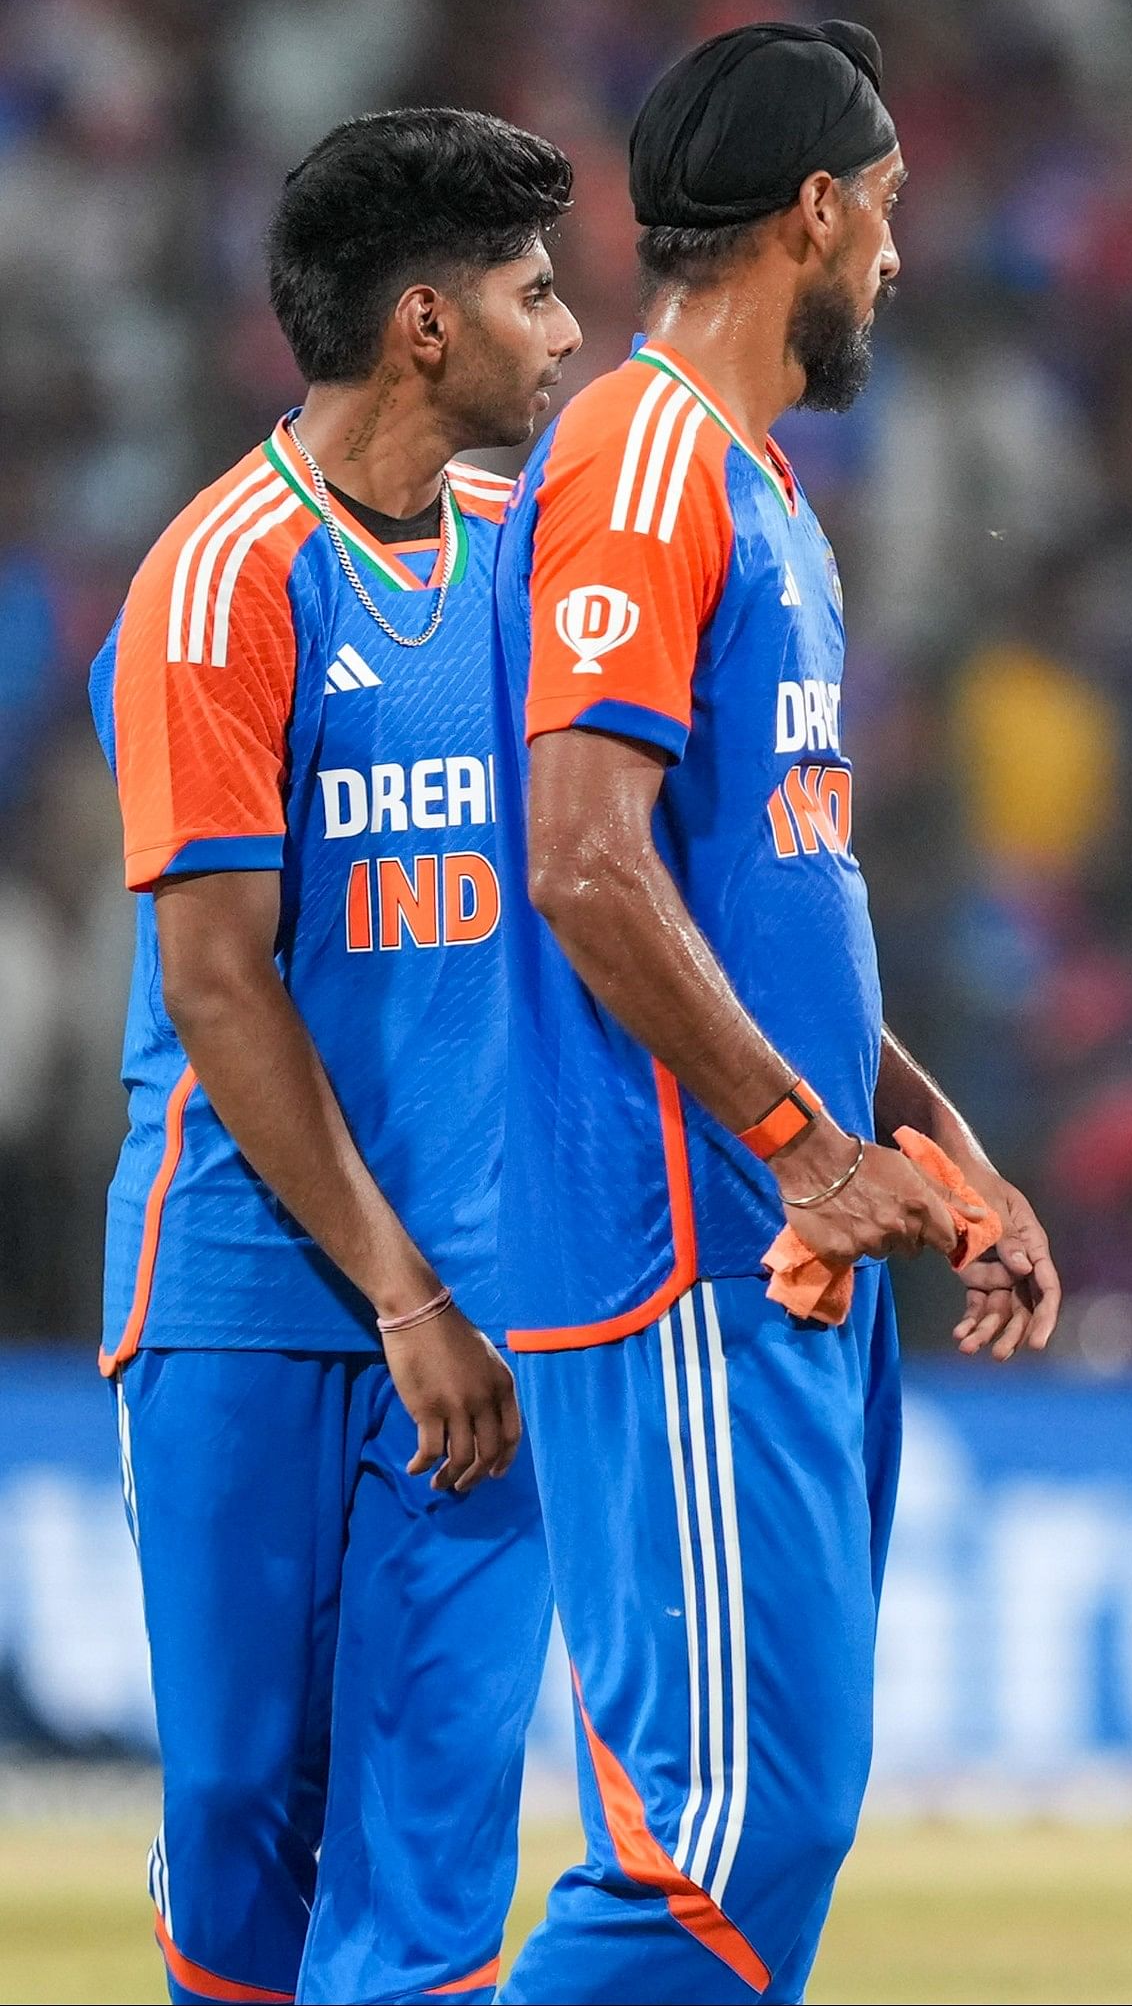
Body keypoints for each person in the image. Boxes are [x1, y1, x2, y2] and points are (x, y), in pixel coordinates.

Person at [487, 20, 1060, 2001]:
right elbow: (583, 859)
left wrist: (919, 1126)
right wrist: (805, 1149)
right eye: (887, 215)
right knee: (718, 1848)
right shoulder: (643, 456)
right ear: (814, 212)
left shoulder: (763, 494)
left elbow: (773, 888)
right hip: (680, 1243)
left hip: (776, 1241)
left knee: (772, 1816)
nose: (899, 260)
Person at [90, 107, 579, 2006]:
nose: (566, 332)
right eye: (535, 294)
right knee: (238, 1803)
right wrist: (397, 1290)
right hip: (247, 1288)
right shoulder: (220, 581)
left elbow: (631, 887)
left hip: (497, 1297)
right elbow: (217, 980)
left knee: (437, 1821)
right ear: (425, 326)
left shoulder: (532, 568)